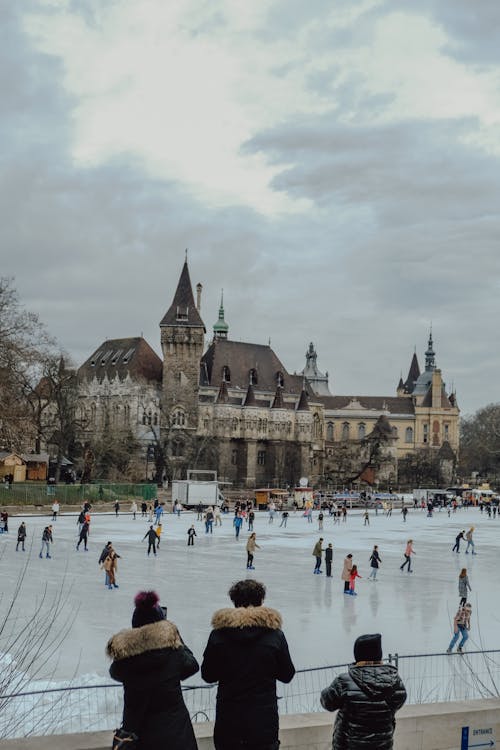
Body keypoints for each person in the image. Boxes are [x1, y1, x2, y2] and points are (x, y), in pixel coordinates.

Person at [201, 579, 295, 750]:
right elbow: (287, 674)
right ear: (260, 602)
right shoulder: (275, 636)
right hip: (263, 724)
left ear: (235, 602)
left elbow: (208, 675)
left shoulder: (218, 635)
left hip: (229, 722)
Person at [107, 591, 199, 750]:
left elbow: (114, 672)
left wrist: (130, 645)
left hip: (141, 738)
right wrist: (175, 637)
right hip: (176, 735)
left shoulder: (126, 662)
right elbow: (192, 666)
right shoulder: (173, 654)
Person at [321, 633, 407, 750]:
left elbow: (327, 703)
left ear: (357, 655)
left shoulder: (344, 682)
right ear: (379, 655)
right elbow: (399, 701)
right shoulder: (395, 683)